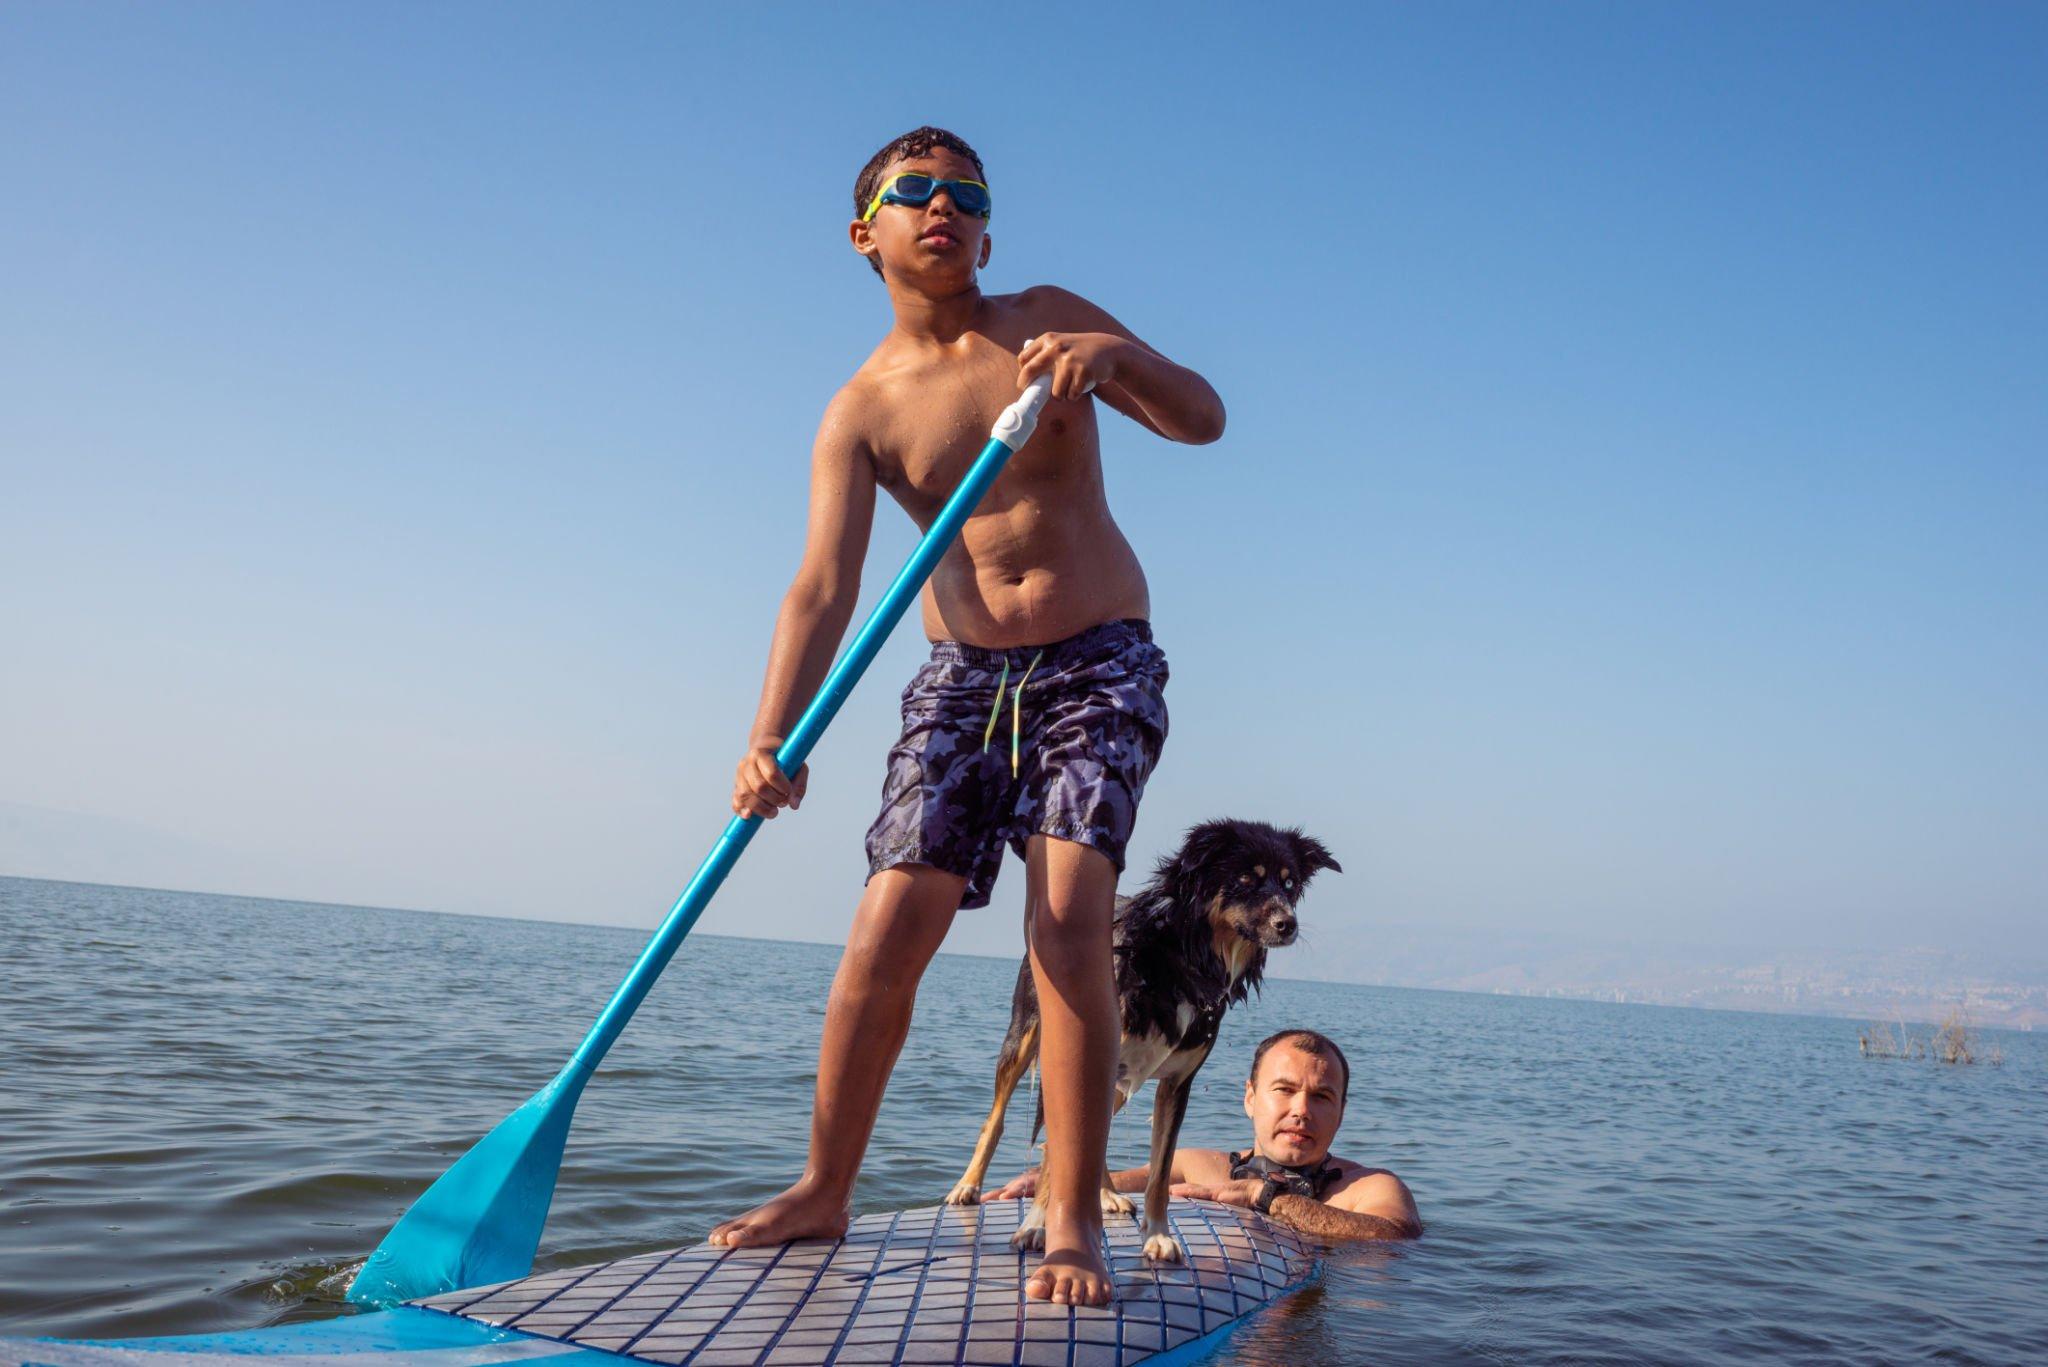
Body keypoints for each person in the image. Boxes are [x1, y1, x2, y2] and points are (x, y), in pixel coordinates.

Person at [705, 126, 1226, 1309]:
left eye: (967, 194)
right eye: (915, 191)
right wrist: (768, 735)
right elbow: (822, 587)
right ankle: (823, 1185)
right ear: (866, 231)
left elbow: (1203, 417)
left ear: (987, 229)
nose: (943, 206)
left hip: (1096, 661)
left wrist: (1114, 357)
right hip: (959, 683)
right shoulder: (861, 411)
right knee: (887, 927)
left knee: (1067, 915)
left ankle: (1066, 1213)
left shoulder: (1043, 320)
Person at [988, 1029, 1421, 1242]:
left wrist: (1267, 1198)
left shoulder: (1369, 1188)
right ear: (1250, 1097)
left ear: (1342, 1112)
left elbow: (1395, 1238)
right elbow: (1115, 1184)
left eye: (1322, 1096)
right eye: (1284, 1090)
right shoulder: (1199, 1167)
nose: (1301, 1111)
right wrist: (1047, 1180)